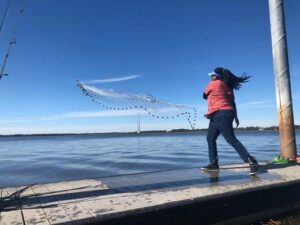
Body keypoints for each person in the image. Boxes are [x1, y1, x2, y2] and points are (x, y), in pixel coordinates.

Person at [201, 67, 259, 175]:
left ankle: (251, 161)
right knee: (210, 138)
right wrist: (236, 117)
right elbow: (232, 102)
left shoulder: (213, 83)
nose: (210, 77)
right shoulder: (228, 86)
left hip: (220, 114)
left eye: (211, 75)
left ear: (216, 76)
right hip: (224, 113)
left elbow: (204, 96)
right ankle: (213, 164)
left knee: (231, 139)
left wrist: (211, 87)